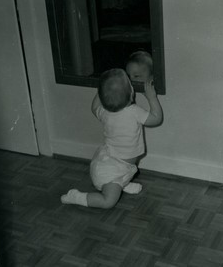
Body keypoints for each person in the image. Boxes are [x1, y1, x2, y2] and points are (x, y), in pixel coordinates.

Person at [61, 68, 163, 209]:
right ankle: (77, 197)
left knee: (124, 172)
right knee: (108, 202)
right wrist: (152, 97)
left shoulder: (105, 112)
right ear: (132, 93)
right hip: (109, 171)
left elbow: (94, 107)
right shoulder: (134, 112)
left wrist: (101, 91)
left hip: (116, 163)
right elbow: (156, 119)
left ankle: (122, 184)